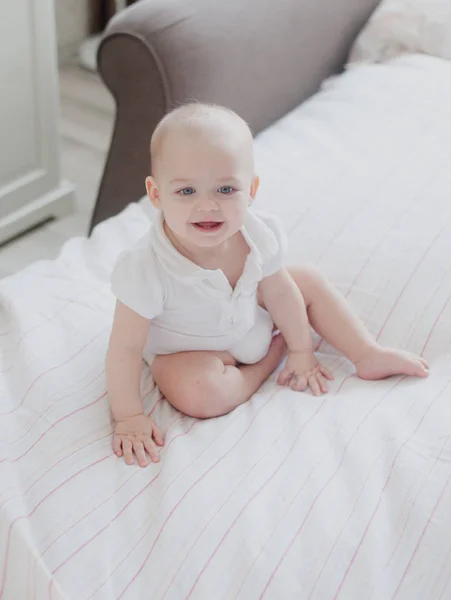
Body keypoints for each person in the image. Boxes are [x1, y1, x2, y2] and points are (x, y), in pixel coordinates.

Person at [106, 103, 429, 468]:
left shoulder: (259, 234)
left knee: (304, 279)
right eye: (186, 192)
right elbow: (125, 348)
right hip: (188, 352)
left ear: (252, 189)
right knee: (201, 395)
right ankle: (264, 366)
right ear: (156, 194)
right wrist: (129, 416)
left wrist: (302, 350)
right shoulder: (144, 268)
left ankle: (366, 352)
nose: (208, 206)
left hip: (248, 316)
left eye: (226, 189)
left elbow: (279, 292)